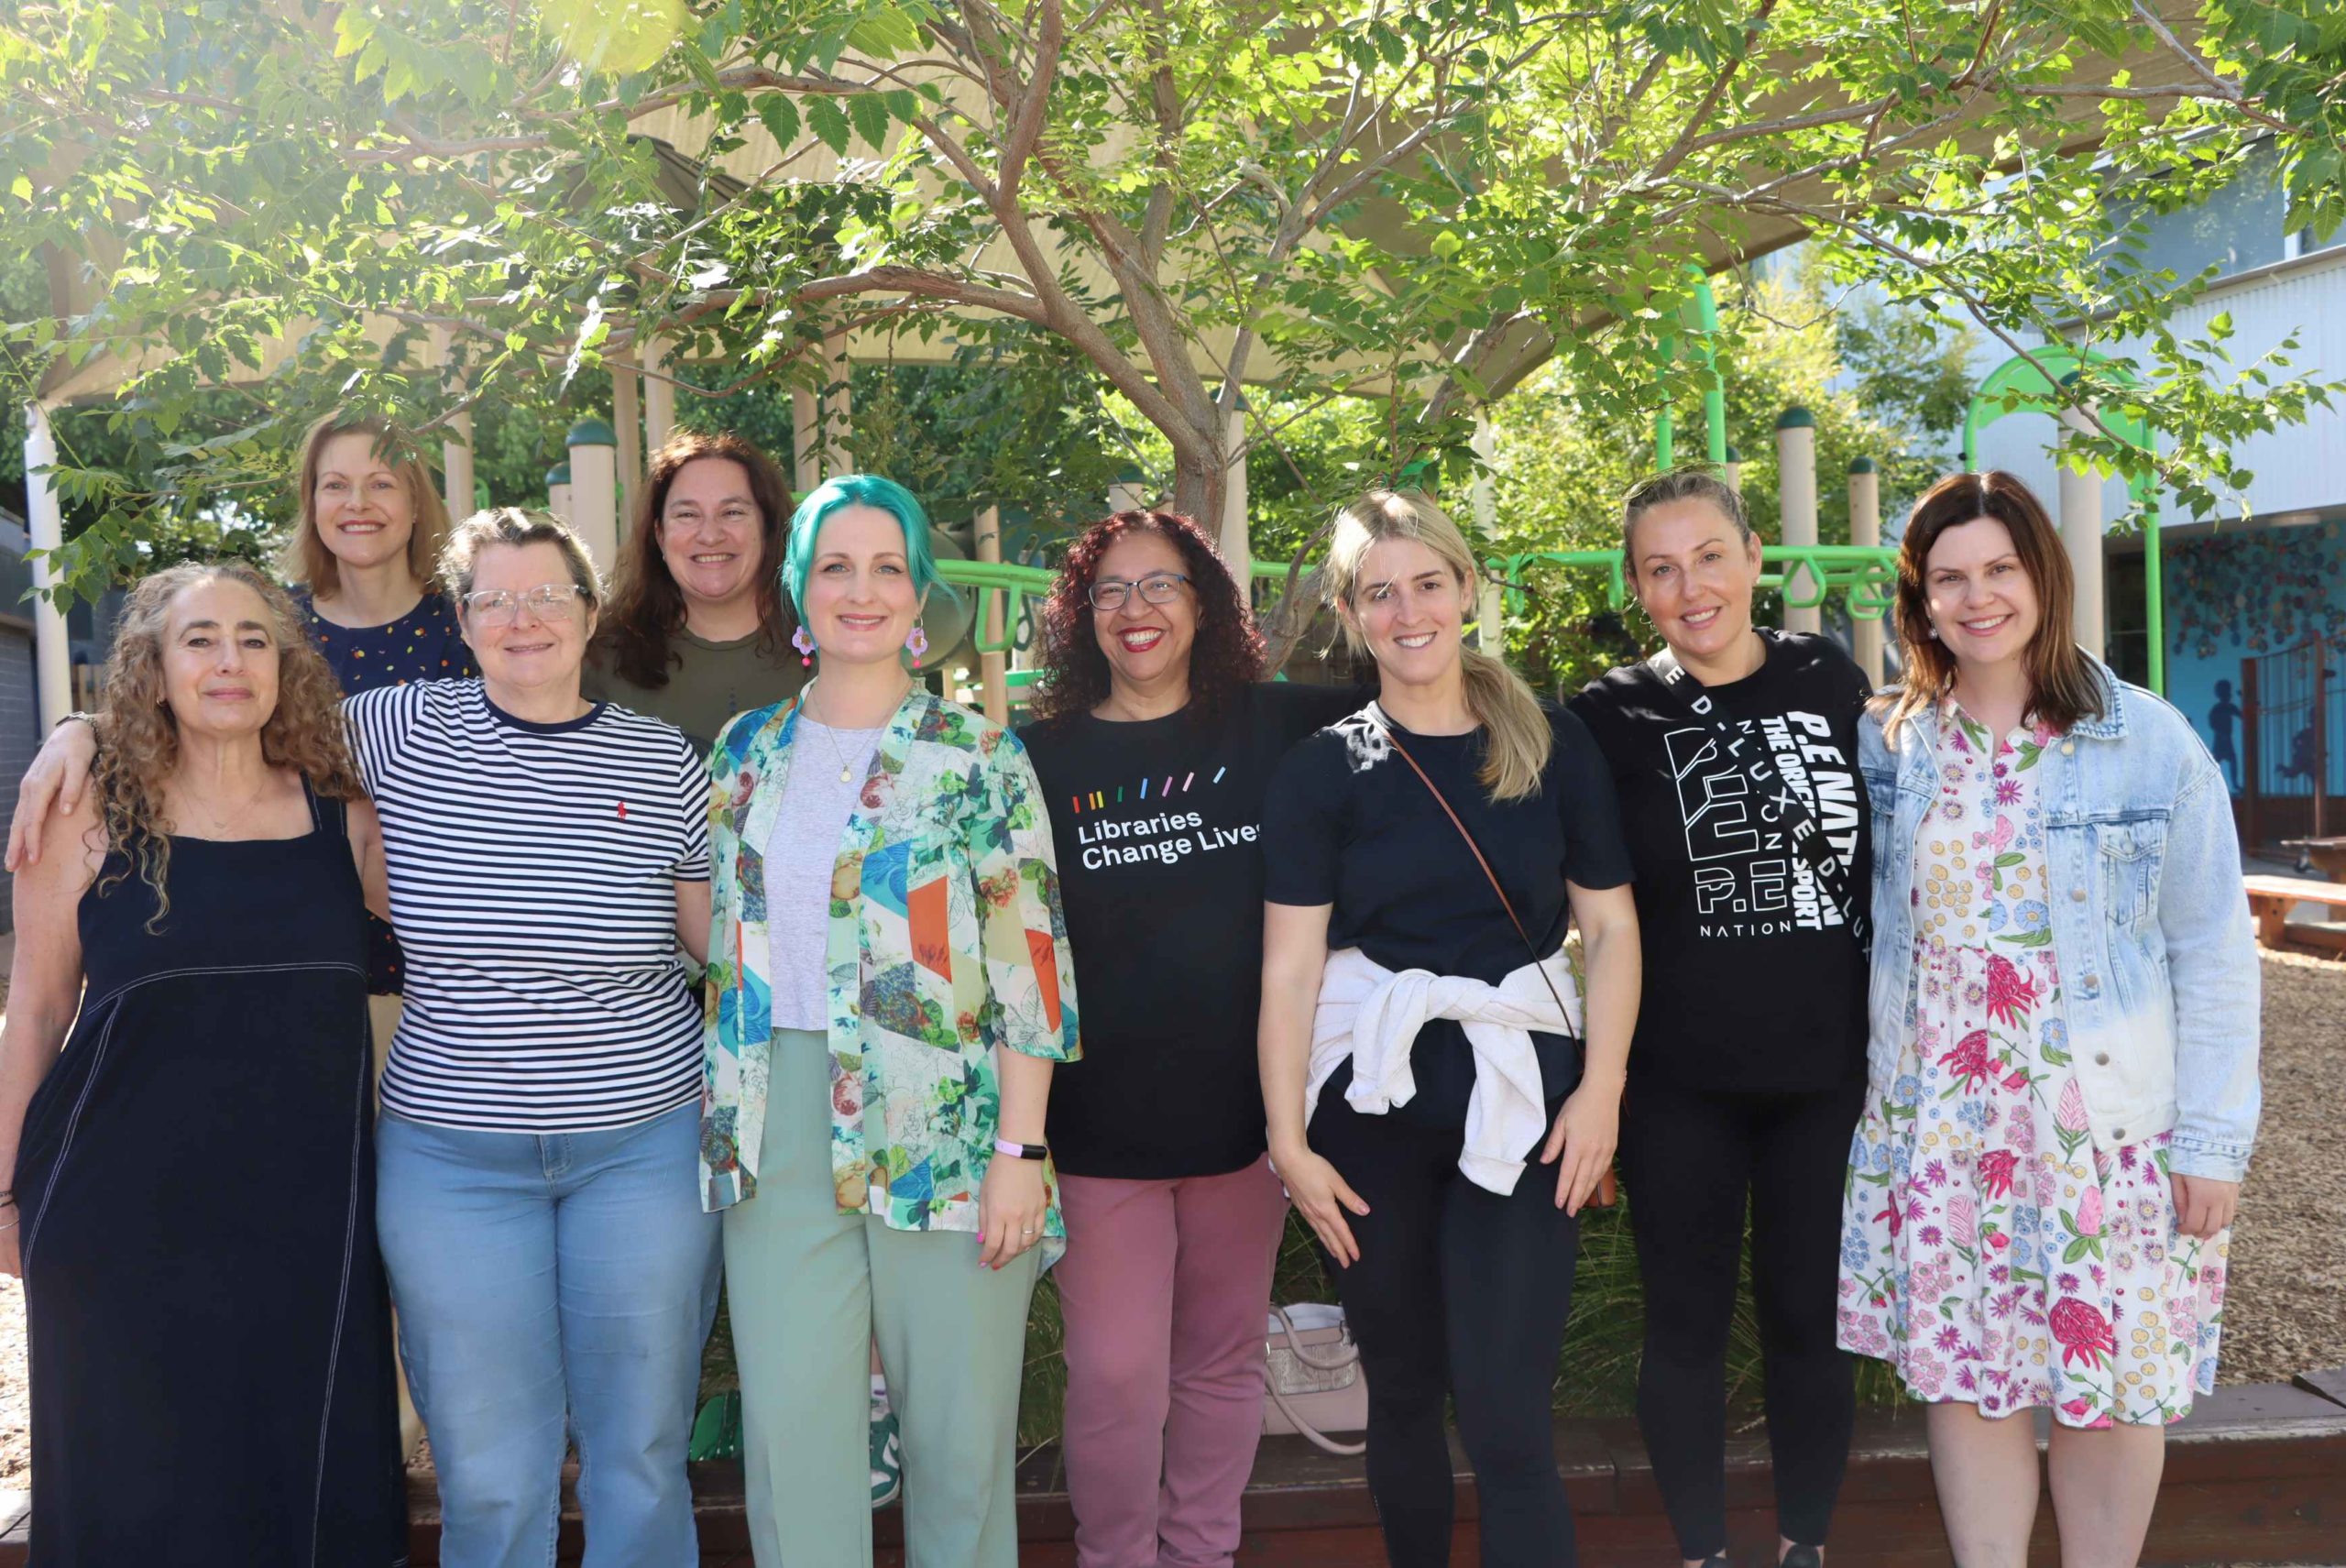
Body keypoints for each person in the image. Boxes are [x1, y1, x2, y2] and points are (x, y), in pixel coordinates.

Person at [1839, 470, 2261, 1568]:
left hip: (2106, 1128)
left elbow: (2213, 950)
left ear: (2043, 576)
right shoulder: (1892, 745)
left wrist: (2213, 1140)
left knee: (2111, 1381)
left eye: (1999, 569)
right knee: (1968, 1376)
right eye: (1948, 577)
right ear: (1919, 598)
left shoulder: (2148, 741)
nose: (1977, 597)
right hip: (1946, 1126)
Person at [702, 474, 1080, 1568]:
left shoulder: (981, 758)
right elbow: (724, 932)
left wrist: (1021, 1148)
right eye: (834, 566)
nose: (860, 591)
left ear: (920, 597)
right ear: (797, 592)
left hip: (950, 1127)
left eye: (886, 568)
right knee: (793, 1446)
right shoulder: (744, 751)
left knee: (959, 1457)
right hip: (774, 1122)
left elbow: (1031, 971)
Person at [1258, 489, 1641, 1568]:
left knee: (1509, 1407)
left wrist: (1602, 1090)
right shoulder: (1321, 770)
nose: (1408, 610)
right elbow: (1290, 970)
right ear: (1349, 610)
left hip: (1526, 1096)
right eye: (1379, 591)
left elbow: (1609, 928)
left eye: (1429, 582)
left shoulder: (1550, 744)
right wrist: (1289, 1141)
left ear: (1468, 589)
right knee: (1407, 1393)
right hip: (1370, 1103)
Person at [0, 562, 406, 1564]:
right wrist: (4, 1191)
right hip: (115, 1224)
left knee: (303, 1496)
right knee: (130, 1505)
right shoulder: (85, 814)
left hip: (309, 1230)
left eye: (255, 639)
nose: (230, 660)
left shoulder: (346, 819)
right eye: (200, 638)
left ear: (285, 667)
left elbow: (448, 964)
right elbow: (37, 1005)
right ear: (153, 666)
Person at [360, 509, 720, 1567]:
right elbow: (227, 723)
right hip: (450, 1156)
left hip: (641, 1145)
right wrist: (81, 731)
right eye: (495, 599)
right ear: (461, 621)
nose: (523, 619)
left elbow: (722, 950)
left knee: (641, 1449)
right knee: (489, 1468)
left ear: (589, 612)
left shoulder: (664, 763)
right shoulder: (393, 727)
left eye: (546, 595)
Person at [1019, 508, 1360, 1568]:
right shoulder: (1034, 758)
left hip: (1249, 1122)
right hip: (1094, 1127)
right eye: (1109, 591)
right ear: (1080, 618)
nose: (1136, 610)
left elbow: (1427, 685)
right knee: (1117, 1371)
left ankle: (1200, 1553)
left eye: (1160, 584)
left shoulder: (1279, 728)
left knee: (1218, 1361)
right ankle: (1115, 1556)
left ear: (1206, 603)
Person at [1568, 471, 1870, 1568]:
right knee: (1684, 1328)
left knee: (1808, 1320)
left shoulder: (1828, 677)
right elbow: (1582, 909)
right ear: (1636, 587)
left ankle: (1805, 1546)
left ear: (1753, 557)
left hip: (1825, 1073)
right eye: (1660, 568)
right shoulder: (1603, 718)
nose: (1689, 586)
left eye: (1707, 556)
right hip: (1675, 1083)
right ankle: (1700, 1552)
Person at [586, 428, 807, 754]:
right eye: (687, 515)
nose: (710, 535)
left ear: (768, 527)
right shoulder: (599, 660)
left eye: (732, 512)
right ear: (659, 535)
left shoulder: (823, 651)